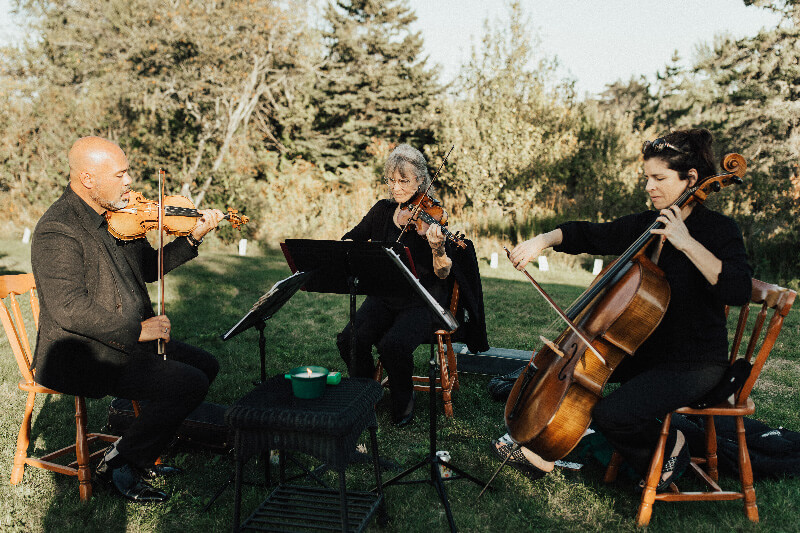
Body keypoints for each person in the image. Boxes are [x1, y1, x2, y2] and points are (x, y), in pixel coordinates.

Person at [498, 128, 753, 489]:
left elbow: (738, 289)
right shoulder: (649, 224)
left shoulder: (719, 230)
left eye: (659, 178)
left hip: (695, 361)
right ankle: (548, 442)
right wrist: (543, 240)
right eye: (646, 177)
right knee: (571, 379)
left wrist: (686, 243)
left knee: (611, 414)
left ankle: (668, 449)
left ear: (691, 179)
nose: (649, 186)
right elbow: (592, 234)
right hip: (646, 350)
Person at [31, 136, 224, 503]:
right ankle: (121, 462)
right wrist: (138, 330)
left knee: (205, 366)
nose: (129, 181)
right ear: (88, 179)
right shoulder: (58, 229)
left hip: (123, 343)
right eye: (120, 174)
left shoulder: (120, 218)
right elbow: (69, 308)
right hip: (82, 354)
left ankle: (139, 447)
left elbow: (148, 269)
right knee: (186, 382)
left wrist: (193, 237)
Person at [336, 144, 455, 426]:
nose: (397, 188)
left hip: (421, 300)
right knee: (349, 339)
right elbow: (351, 238)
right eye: (392, 180)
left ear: (420, 181)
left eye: (404, 181)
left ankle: (403, 404)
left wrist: (438, 249)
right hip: (385, 296)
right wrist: (352, 249)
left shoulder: (431, 217)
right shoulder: (381, 210)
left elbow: (443, 273)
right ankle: (365, 393)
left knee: (393, 346)